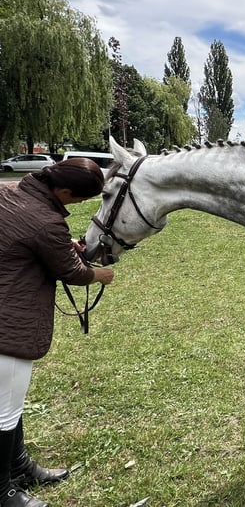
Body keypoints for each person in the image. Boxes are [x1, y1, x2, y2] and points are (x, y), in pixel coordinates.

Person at [0, 158, 115, 507]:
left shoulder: (7, 193)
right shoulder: (46, 221)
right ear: (64, 191)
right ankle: (2, 492)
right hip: (11, 323)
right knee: (4, 412)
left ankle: (18, 467)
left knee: (9, 406)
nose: (78, 205)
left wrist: (64, 247)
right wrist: (98, 275)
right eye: (79, 199)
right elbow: (71, 271)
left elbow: (29, 243)